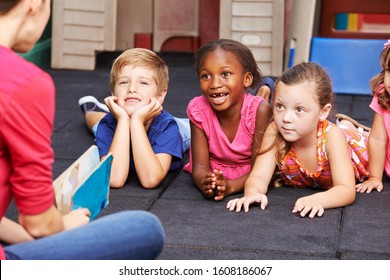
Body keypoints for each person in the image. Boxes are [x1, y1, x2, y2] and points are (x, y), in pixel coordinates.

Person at [0, 0, 165, 259]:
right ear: (33, 3)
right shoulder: (26, 83)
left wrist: (26, 238)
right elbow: (39, 222)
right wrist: (65, 226)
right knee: (145, 228)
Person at [227, 62, 369, 218]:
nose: (286, 118)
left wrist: (319, 199)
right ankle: (345, 125)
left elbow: (346, 190)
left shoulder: (332, 137)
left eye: (299, 110)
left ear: (323, 112)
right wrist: (252, 193)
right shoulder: (276, 130)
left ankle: (351, 128)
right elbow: (259, 176)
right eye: (280, 106)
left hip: (359, 147)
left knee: (363, 140)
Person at [78, 48, 187, 189]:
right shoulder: (109, 124)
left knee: (202, 127)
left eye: (143, 83)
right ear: (113, 92)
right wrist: (124, 120)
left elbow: (150, 180)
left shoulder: (168, 127)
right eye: (123, 82)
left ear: (160, 95)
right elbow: (114, 180)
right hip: (117, 118)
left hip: (180, 129)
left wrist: (136, 122)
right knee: (96, 125)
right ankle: (90, 109)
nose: (132, 88)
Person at [183, 39, 273, 201]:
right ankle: (264, 89)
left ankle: (266, 89)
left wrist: (231, 186)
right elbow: (200, 167)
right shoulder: (198, 109)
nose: (215, 84)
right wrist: (206, 182)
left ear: (246, 79)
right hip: (216, 169)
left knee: (263, 103)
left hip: (249, 173)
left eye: (225, 74)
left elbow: (260, 170)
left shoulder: (261, 111)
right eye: (206, 76)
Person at [353, 39, 390, 193]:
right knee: (358, 144)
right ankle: (353, 129)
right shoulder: (384, 95)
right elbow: (378, 139)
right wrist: (375, 177)